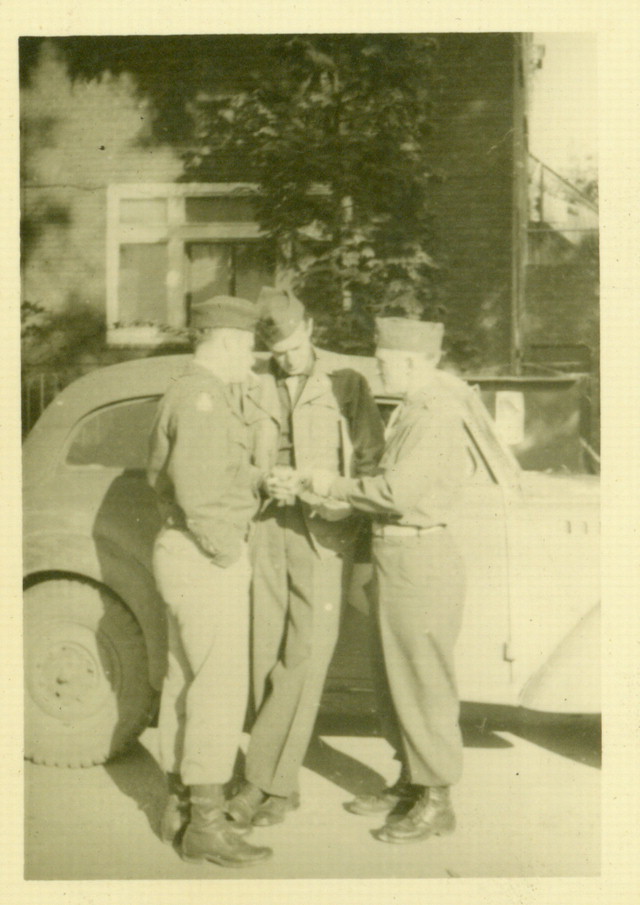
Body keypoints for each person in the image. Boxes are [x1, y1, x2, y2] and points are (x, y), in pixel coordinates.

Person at [226, 286, 385, 830]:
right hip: (267, 526)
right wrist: (263, 479)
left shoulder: (347, 382)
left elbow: (371, 464)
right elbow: (232, 458)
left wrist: (328, 497)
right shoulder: (251, 384)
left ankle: (261, 781)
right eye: (278, 353)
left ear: (311, 329)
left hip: (324, 533)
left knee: (303, 658)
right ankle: (279, 783)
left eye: (294, 349)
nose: (288, 361)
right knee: (264, 652)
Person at [304, 317, 469, 844]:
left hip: (419, 559)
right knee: (393, 679)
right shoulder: (412, 409)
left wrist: (332, 484)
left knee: (422, 682)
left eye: (384, 361)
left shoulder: (435, 414)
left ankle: (437, 799)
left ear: (413, 362)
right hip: (397, 557)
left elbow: (397, 492)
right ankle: (411, 782)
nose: (378, 368)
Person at [146, 295, 272, 867]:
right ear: (226, 342)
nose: (252, 358)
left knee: (185, 682)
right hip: (204, 555)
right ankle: (206, 826)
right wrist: (226, 552)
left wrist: (256, 480)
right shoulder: (203, 396)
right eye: (248, 347)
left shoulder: (190, 390)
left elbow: (208, 473)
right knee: (218, 690)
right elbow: (198, 492)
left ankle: (178, 807)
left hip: (184, 550)